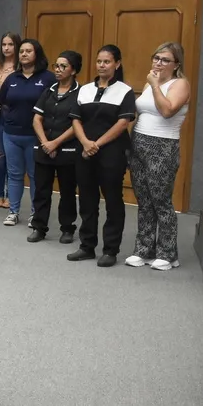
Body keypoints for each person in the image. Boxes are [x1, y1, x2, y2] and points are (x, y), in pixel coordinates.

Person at [68, 44, 136, 267]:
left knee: (113, 201)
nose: (102, 65)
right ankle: (87, 246)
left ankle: (110, 250)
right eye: (99, 61)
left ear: (117, 64)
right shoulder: (84, 90)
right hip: (85, 151)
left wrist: (97, 143)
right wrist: (86, 143)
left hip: (112, 153)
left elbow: (123, 122)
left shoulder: (125, 91)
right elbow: (75, 119)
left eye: (107, 62)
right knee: (87, 200)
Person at [126, 42, 191, 270]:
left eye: (164, 60)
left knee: (161, 202)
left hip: (162, 147)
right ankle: (144, 250)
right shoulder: (149, 83)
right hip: (139, 144)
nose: (158, 63)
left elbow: (167, 110)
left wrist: (154, 85)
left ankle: (167, 253)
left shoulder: (180, 84)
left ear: (176, 64)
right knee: (144, 201)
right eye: (156, 58)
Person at [0, 38, 55, 227]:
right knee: (14, 174)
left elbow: (53, 105)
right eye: (21, 51)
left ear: (36, 54)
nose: (23, 54)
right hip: (11, 134)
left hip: (35, 135)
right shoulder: (12, 78)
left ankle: (35, 213)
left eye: (28, 51)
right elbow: (2, 101)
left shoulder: (47, 78)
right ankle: (13, 212)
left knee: (34, 174)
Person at [29, 50, 81, 244]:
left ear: (73, 70)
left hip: (66, 150)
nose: (58, 70)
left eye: (63, 66)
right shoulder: (50, 89)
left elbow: (77, 124)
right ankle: (39, 227)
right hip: (44, 148)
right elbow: (37, 118)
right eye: (56, 66)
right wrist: (45, 143)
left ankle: (67, 228)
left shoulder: (80, 92)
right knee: (42, 190)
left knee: (67, 191)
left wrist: (55, 143)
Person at [0, 32, 20, 208]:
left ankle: (10, 195)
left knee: (12, 157)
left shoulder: (20, 67)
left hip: (13, 113)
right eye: (4, 45)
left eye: (10, 45)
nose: (7, 48)